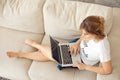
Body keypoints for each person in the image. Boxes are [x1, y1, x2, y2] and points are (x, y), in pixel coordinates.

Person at [7, 16, 112, 75]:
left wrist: (85, 66)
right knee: (55, 54)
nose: (83, 35)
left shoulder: (102, 47)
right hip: (76, 48)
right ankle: (24, 53)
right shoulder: (91, 33)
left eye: (85, 34)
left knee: (54, 54)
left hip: (81, 61)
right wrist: (77, 43)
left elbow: (107, 70)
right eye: (83, 33)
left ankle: (33, 47)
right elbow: (83, 36)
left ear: (95, 34)